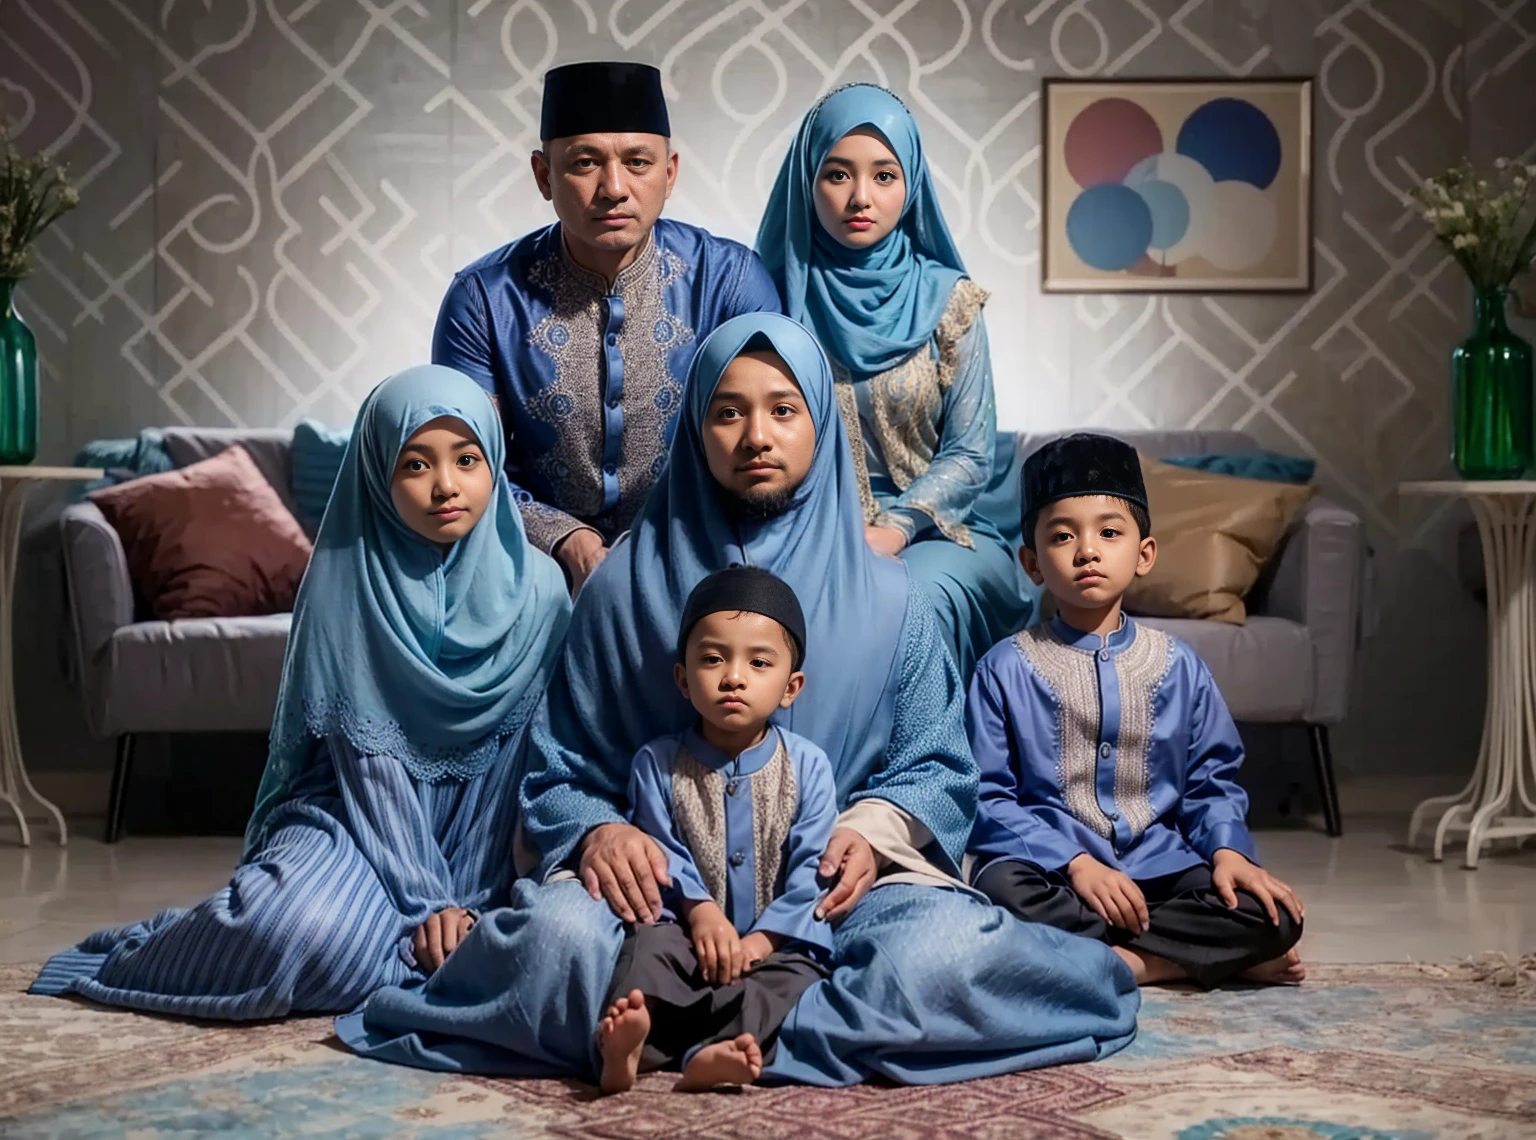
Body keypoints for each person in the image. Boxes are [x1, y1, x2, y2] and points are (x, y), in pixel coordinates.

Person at [336, 313, 1138, 1086]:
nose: (756, 436)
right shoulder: (619, 588)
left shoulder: (895, 598)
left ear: (821, 424)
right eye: (728, 412)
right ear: (694, 429)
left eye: (783, 410)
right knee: (553, 946)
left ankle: (675, 1031)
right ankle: (787, 1024)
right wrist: (603, 831)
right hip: (653, 898)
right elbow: (560, 771)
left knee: (940, 958)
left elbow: (936, 766)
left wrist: (867, 834)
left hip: (827, 895)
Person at [29, 368, 570, 1018]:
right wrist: (429, 904)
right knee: (288, 933)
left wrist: (474, 902)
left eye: (467, 459)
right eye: (416, 464)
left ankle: (414, 945)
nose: (446, 486)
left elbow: (520, 760)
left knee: (536, 947)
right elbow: (370, 768)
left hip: (485, 846)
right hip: (356, 824)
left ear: (493, 462)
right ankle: (154, 951)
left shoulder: (541, 591)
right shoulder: (345, 577)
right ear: (377, 473)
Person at [967, 433, 1306, 988]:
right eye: (1061, 536)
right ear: (1031, 562)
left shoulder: (1180, 667)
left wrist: (1227, 851)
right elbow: (987, 797)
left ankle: (1124, 964)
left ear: (1143, 553)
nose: (1088, 551)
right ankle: (1191, 959)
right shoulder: (1005, 669)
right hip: (1056, 875)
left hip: (1160, 867)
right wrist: (1076, 863)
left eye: (1109, 532)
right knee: (1001, 892)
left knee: (1273, 914)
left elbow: (1210, 785)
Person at [433, 61, 782, 594]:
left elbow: (762, 442)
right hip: (527, 566)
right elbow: (460, 463)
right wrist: (561, 537)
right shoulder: (482, 299)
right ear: (543, 175)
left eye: (638, 162)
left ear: (670, 173)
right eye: (585, 163)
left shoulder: (730, 281)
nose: (614, 188)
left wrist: (663, 540)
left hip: (697, 551)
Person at [756, 83, 1032, 679]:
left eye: (884, 176)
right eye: (837, 174)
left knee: (914, 599)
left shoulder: (949, 303)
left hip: (935, 532)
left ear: (911, 186)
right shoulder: (768, 298)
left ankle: (927, 768)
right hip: (803, 528)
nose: (861, 197)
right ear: (806, 180)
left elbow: (970, 453)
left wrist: (896, 528)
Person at [598, 566, 835, 1094]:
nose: (733, 677)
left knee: (794, 981)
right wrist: (700, 914)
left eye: (758, 662)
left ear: (791, 687)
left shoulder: (809, 767)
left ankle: (713, 1054)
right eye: (712, 659)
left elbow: (812, 869)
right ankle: (627, 1047)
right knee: (644, 952)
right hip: (685, 934)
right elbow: (660, 852)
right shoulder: (656, 763)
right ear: (682, 680)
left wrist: (761, 941)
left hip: (775, 943)